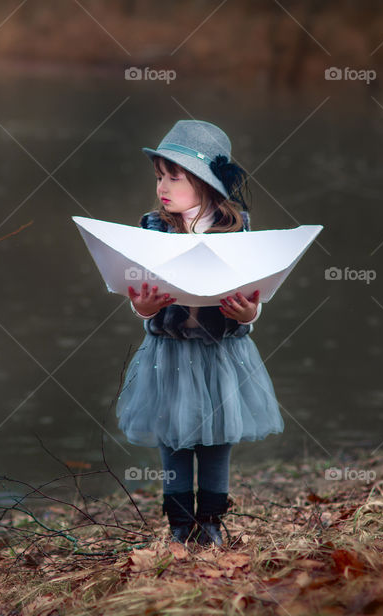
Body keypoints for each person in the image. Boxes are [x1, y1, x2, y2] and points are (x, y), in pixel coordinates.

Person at [115, 119, 285, 547]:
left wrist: (248, 313)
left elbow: (254, 294)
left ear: (206, 183)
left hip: (222, 352)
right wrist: (143, 306)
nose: (162, 187)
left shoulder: (237, 228)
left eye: (174, 177)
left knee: (216, 440)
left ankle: (210, 524)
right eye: (159, 177)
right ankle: (178, 526)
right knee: (174, 439)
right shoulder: (153, 227)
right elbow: (137, 292)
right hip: (167, 353)